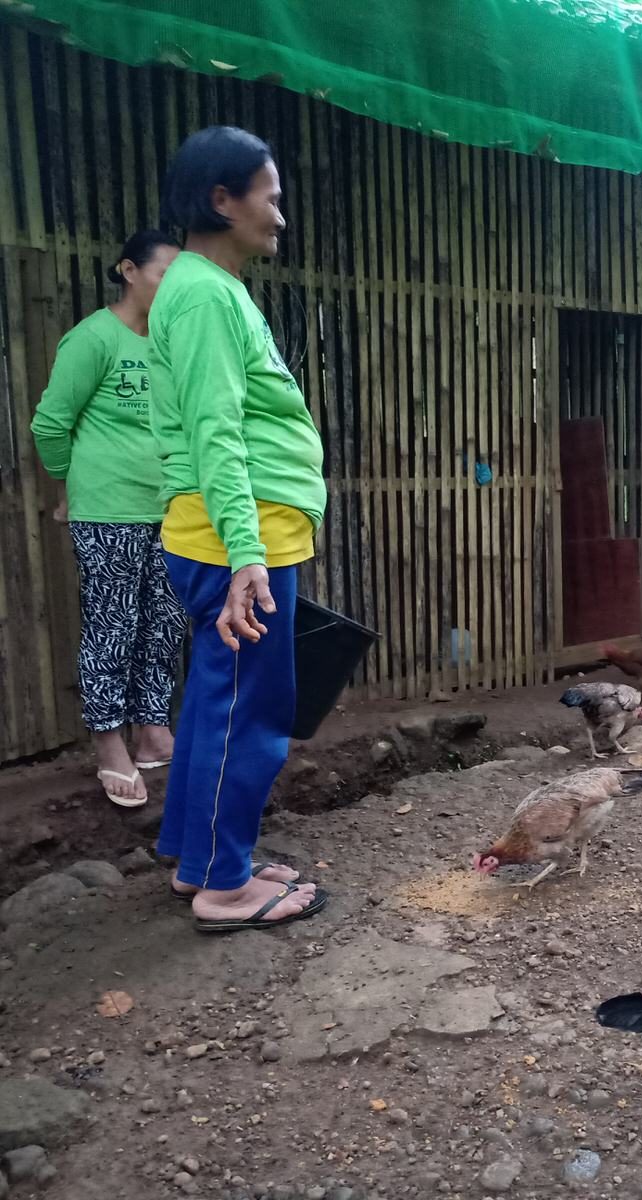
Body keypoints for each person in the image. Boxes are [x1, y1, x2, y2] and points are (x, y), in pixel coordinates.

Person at [150, 125, 329, 932]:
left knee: (217, 705)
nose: (280, 217)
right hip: (239, 538)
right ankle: (228, 889)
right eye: (271, 197)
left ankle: (203, 863)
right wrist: (247, 555)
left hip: (235, 534)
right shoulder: (203, 295)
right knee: (248, 713)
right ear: (222, 199)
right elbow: (215, 433)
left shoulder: (203, 290)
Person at [31, 230, 188, 808]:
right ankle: (109, 742)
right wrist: (72, 487)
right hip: (109, 510)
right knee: (113, 625)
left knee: (164, 622)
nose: (170, 286)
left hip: (168, 508)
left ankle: (152, 729)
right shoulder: (93, 338)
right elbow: (50, 424)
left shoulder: (170, 344)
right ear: (128, 270)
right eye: (162, 273)